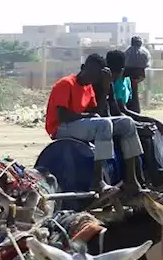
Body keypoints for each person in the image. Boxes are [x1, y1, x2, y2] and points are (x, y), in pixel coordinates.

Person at [46, 53, 145, 196]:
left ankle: (131, 179)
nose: (92, 77)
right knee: (103, 124)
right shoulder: (66, 83)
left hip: (77, 124)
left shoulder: (89, 88)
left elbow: (97, 111)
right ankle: (97, 180)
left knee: (127, 123)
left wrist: (105, 89)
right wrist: (87, 116)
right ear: (82, 68)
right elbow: (62, 116)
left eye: (96, 75)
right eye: (90, 72)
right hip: (60, 127)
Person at [104, 50, 163, 187]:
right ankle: (156, 174)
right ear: (127, 69)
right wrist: (147, 122)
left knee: (159, 130)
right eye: (141, 70)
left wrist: (135, 86)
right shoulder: (113, 82)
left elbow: (134, 110)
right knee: (148, 136)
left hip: (124, 119)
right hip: (116, 122)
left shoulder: (126, 81)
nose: (143, 74)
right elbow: (121, 111)